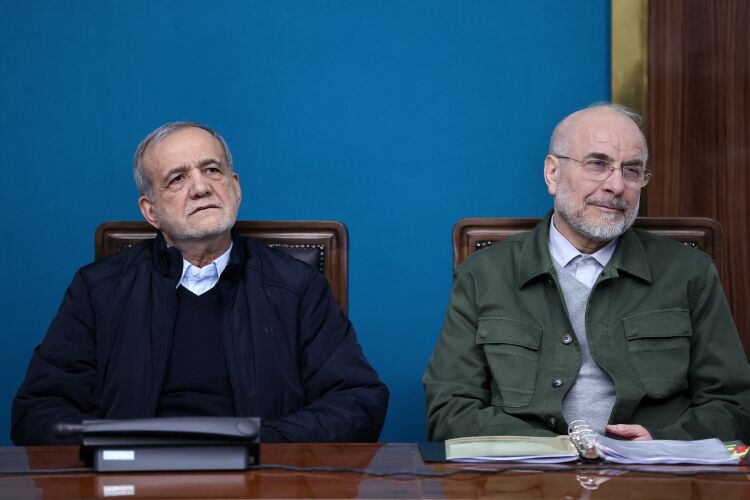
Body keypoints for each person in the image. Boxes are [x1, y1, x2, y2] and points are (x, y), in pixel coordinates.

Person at [12, 122, 389, 444]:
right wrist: (122, 448)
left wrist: (260, 444)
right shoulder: (97, 290)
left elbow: (357, 401)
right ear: (151, 211)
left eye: (212, 170)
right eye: (177, 179)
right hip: (134, 480)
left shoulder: (297, 286)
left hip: (261, 478)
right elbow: (38, 410)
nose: (201, 188)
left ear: (235, 188)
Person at [423, 104, 750, 442]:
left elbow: (734, 405)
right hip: (525, 471)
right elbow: (449, 410)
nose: (617, 185)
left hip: (650, 469)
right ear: (553, 174)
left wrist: (663, 442)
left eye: (632, 170)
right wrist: (544, 448)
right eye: (597, 164)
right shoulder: (484, 274)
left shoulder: (689, 272)